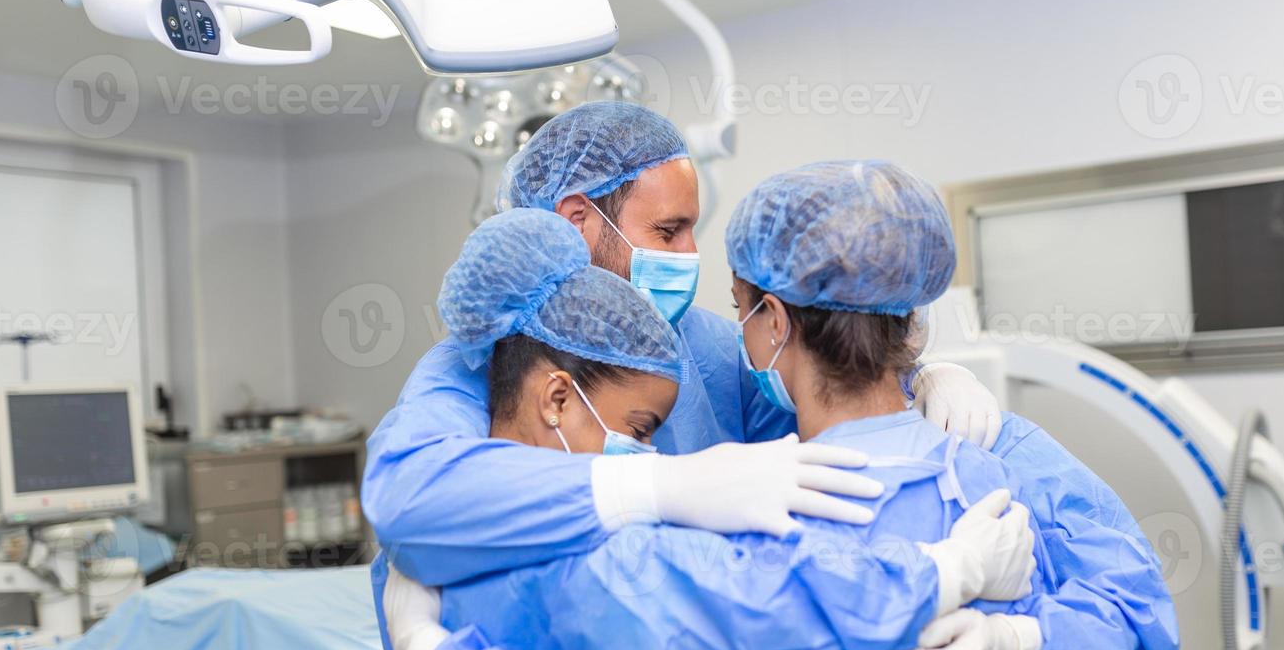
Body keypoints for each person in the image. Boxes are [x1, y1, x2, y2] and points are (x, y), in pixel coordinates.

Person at [385, 162, 1179, 650]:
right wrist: (1022, 646)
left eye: (739, 311)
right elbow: (1138, 619)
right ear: (909, 314)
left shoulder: (732, 530)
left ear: (772, 321)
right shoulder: (996, 469)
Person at [360, 102, 1003, 591]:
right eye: (667, 232)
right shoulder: (480, 359)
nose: (688, 256)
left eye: (693, 231)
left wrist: (919, 379)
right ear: (577, 219)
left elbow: (834, 409)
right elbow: (409, 498)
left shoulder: (704, 345)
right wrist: (655, 488)